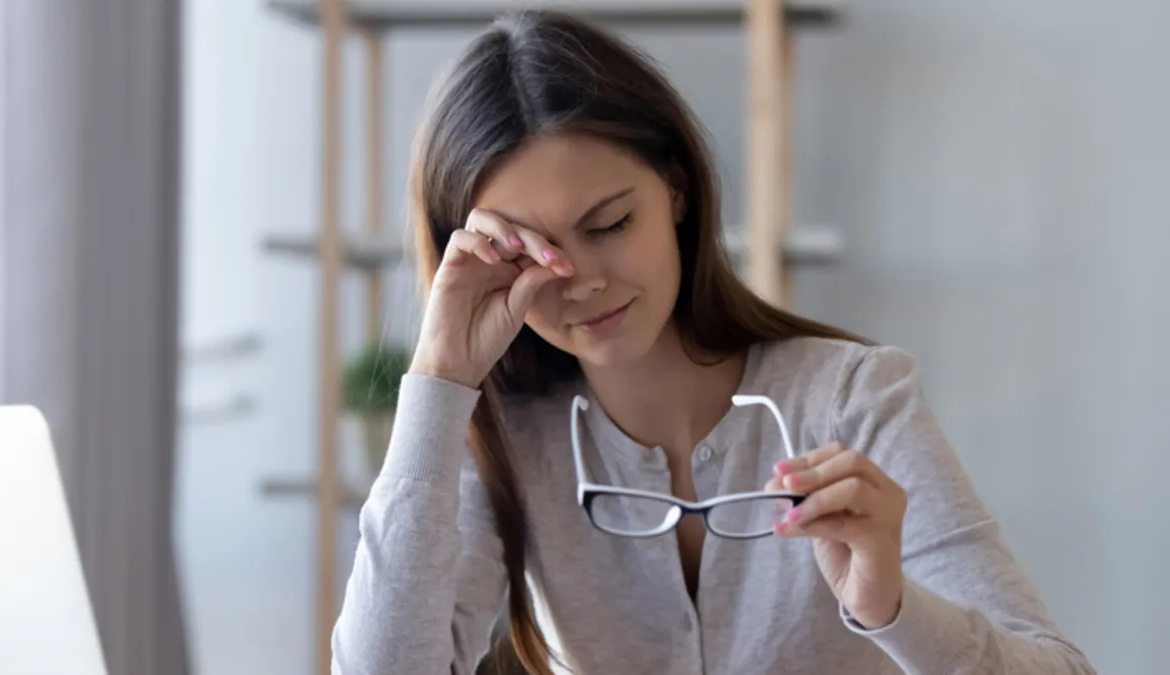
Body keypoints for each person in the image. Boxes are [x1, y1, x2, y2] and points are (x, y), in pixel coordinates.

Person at [331, 9, 1096, 675]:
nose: (584, 281)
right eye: (532, 255)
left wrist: (892, 604)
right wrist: (439, 378)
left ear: (677, 188)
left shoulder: (852, 398)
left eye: (610, 225)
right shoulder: (499, 440)